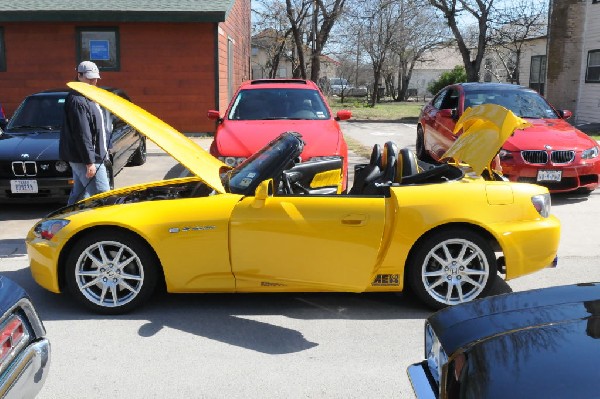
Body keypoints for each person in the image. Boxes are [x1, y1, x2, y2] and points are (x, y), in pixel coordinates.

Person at [59, 61, 110, 205]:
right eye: (89, 78)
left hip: (90, 156)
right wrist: (89, 162)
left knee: (80, 195)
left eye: (95, 78)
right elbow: (82, 133)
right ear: (79, 76)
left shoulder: (90, 97)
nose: (93, 81)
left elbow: (99, 127)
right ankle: (105, 227)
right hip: (87, 158)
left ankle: (65, 222)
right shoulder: (78, 100)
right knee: (102, 197)